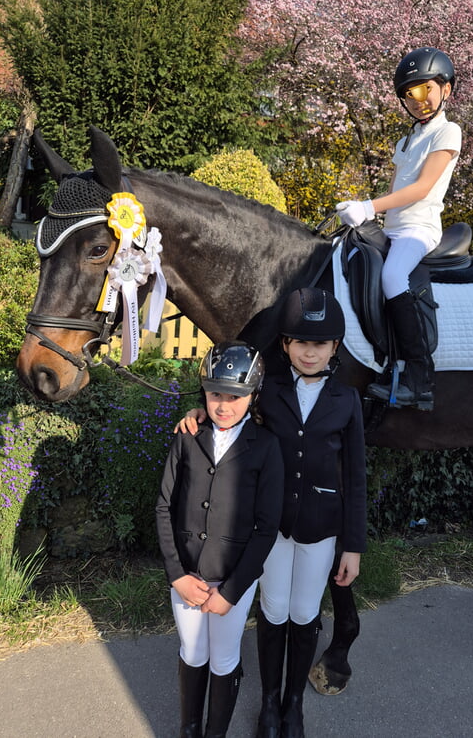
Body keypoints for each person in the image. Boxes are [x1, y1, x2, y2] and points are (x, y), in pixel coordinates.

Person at [177, 289, 366, 738]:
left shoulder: (347, 401)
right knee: (274, 609)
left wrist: (353, 545)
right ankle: (266, 703)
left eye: (319, 344)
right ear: (284, 345)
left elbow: (355, 477)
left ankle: (293, 704)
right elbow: (229, 412)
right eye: (300, 342)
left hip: (321, 528)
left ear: (334, 348)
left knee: (304, 613)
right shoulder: (268, 392)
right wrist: (197, 416)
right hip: (272, 526)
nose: (309, 351)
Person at [156, 341, 284, 738]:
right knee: (192, 652)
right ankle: (190, 729)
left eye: (234, 396)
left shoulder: (266, 447)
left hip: (235, 580)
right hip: (188, 577)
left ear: (252, 396)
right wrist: (176, 574)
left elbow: (267, 528)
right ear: (203, 394)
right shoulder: (187, 437)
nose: (223, 405)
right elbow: (164, 506)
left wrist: (230, 591)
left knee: (224, 658)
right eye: (215, 395)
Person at [336, 46, 462, 411]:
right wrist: (369, 217)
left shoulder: (448, 132)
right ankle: (381, 360)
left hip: (420, 228)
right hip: (393, 228)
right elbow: (396, 189)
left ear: (445, 90)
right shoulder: (406, 140)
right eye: (410, 94)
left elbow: (421, 189)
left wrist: (367, 207)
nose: (418, 100)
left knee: (393, 277)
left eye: (426, 90)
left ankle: (420, 377)